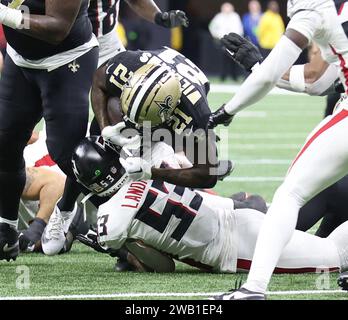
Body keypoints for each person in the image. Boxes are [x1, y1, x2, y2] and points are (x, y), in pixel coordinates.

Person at [208, 0, 348, 299]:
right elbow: (317, 79)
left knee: (290, 194)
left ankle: (254, 288)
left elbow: (275, 75)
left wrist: (226, 110)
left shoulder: (317, 5)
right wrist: (259, 65)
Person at [72, 136, 348, 275]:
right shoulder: (147, 164)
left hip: (234, 250)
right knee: (328, 223)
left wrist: (122, 247)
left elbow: (164, 266)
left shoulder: (111, 220)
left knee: (336, 256)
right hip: (237, 218)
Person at [0, 0, 100, 262]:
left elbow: (57, 28)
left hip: (65, 59)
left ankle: (74, 212)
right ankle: (6, 229)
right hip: (19, 57)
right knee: (5, 145)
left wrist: (2, 14)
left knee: (70, 155)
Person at [91, 46, 230, 189]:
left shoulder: (193, 114)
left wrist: (150, 172)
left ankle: (181, 157)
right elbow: (98, 81)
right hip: (155, 65)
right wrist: (105, 127)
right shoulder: (128, 65)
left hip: (186, 103)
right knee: (110, 109)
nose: (134, 124)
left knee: (178, 157)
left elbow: (207, 176)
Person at [88, 0, 189, 67]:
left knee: (123, 92)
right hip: (81, 44)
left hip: (109, 43)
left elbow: (136, 1)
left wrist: (159, 17)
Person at [209, 2, 244, 81]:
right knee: (223, 60)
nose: (227, 10)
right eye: (225, 8)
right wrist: (216, 35)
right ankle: (223, 77)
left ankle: (234, 77)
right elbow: (211, 26)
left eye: (228, 8)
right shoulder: (219, 16)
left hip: (233, 41)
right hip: (223, 41)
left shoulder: (235, 16)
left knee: (234, 59)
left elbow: (239, 28)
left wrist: (237, 38)